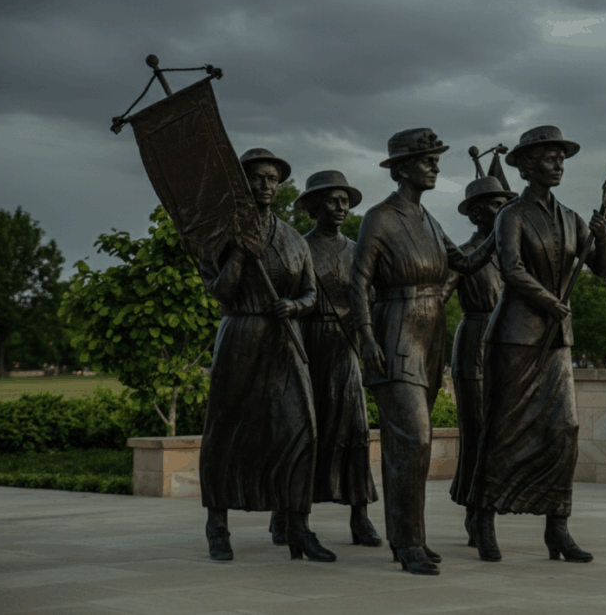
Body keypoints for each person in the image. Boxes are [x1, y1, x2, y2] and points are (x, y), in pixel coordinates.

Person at [350, 128, 495, 576]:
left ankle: (409, 537)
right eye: (426, 159)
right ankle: (408, 541)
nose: (435, 165)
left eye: (436, 159)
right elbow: (358, 283)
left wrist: (505, 225)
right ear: (401, 168)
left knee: (411, 444)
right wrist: (367, 339)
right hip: (395, 329)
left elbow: (466, 263)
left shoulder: (430, 220)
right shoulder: (379, 217)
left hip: (430, 334)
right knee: (413, 439)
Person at [468, 125, 606, 563]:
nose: (558, 164)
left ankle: (558, 526)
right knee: (504, 429)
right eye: (550, 157)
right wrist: (552, 302)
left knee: (563, 430)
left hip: (556, 341)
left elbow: (603, 270)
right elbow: (510, 268)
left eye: (562, 158)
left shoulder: (572, 218)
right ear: (528, 165)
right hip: (515, 335)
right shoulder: (510, 214)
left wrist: (602, 234)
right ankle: (483, 516)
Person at [198, 148, 334, 563]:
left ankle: (298, 526)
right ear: (242, 182)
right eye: (257, 177)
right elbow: (220, 293)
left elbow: (312, 293)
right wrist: (240, 252)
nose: (266, 185)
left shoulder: (293, 237)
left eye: (273, 179)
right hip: (242, 333)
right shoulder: (220, 233)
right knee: (227, 431)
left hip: (285, 338)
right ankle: (218, 526)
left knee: (301, 429)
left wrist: (294, 307)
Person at [291, 170, 382, 548]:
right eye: (332, 200)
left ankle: (359, 516)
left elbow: (368, 293)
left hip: (346, 346)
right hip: (309, 342)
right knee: (303, 431)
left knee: (354, 430)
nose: (341, 207)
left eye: (345, 200)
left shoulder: (356, 247)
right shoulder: (300, 246)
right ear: (314, 206)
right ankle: (291, 515)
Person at [441, 176, 515, 547]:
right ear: (473, 213)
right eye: (492, 203)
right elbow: (435, 297)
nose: (501, 207)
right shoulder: (465, 255)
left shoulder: (512, 257)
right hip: (473, 348)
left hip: (508, 350)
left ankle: (488, 508)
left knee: (501, 436)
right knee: (478, 436)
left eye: (504, 201)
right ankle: (477, 513)